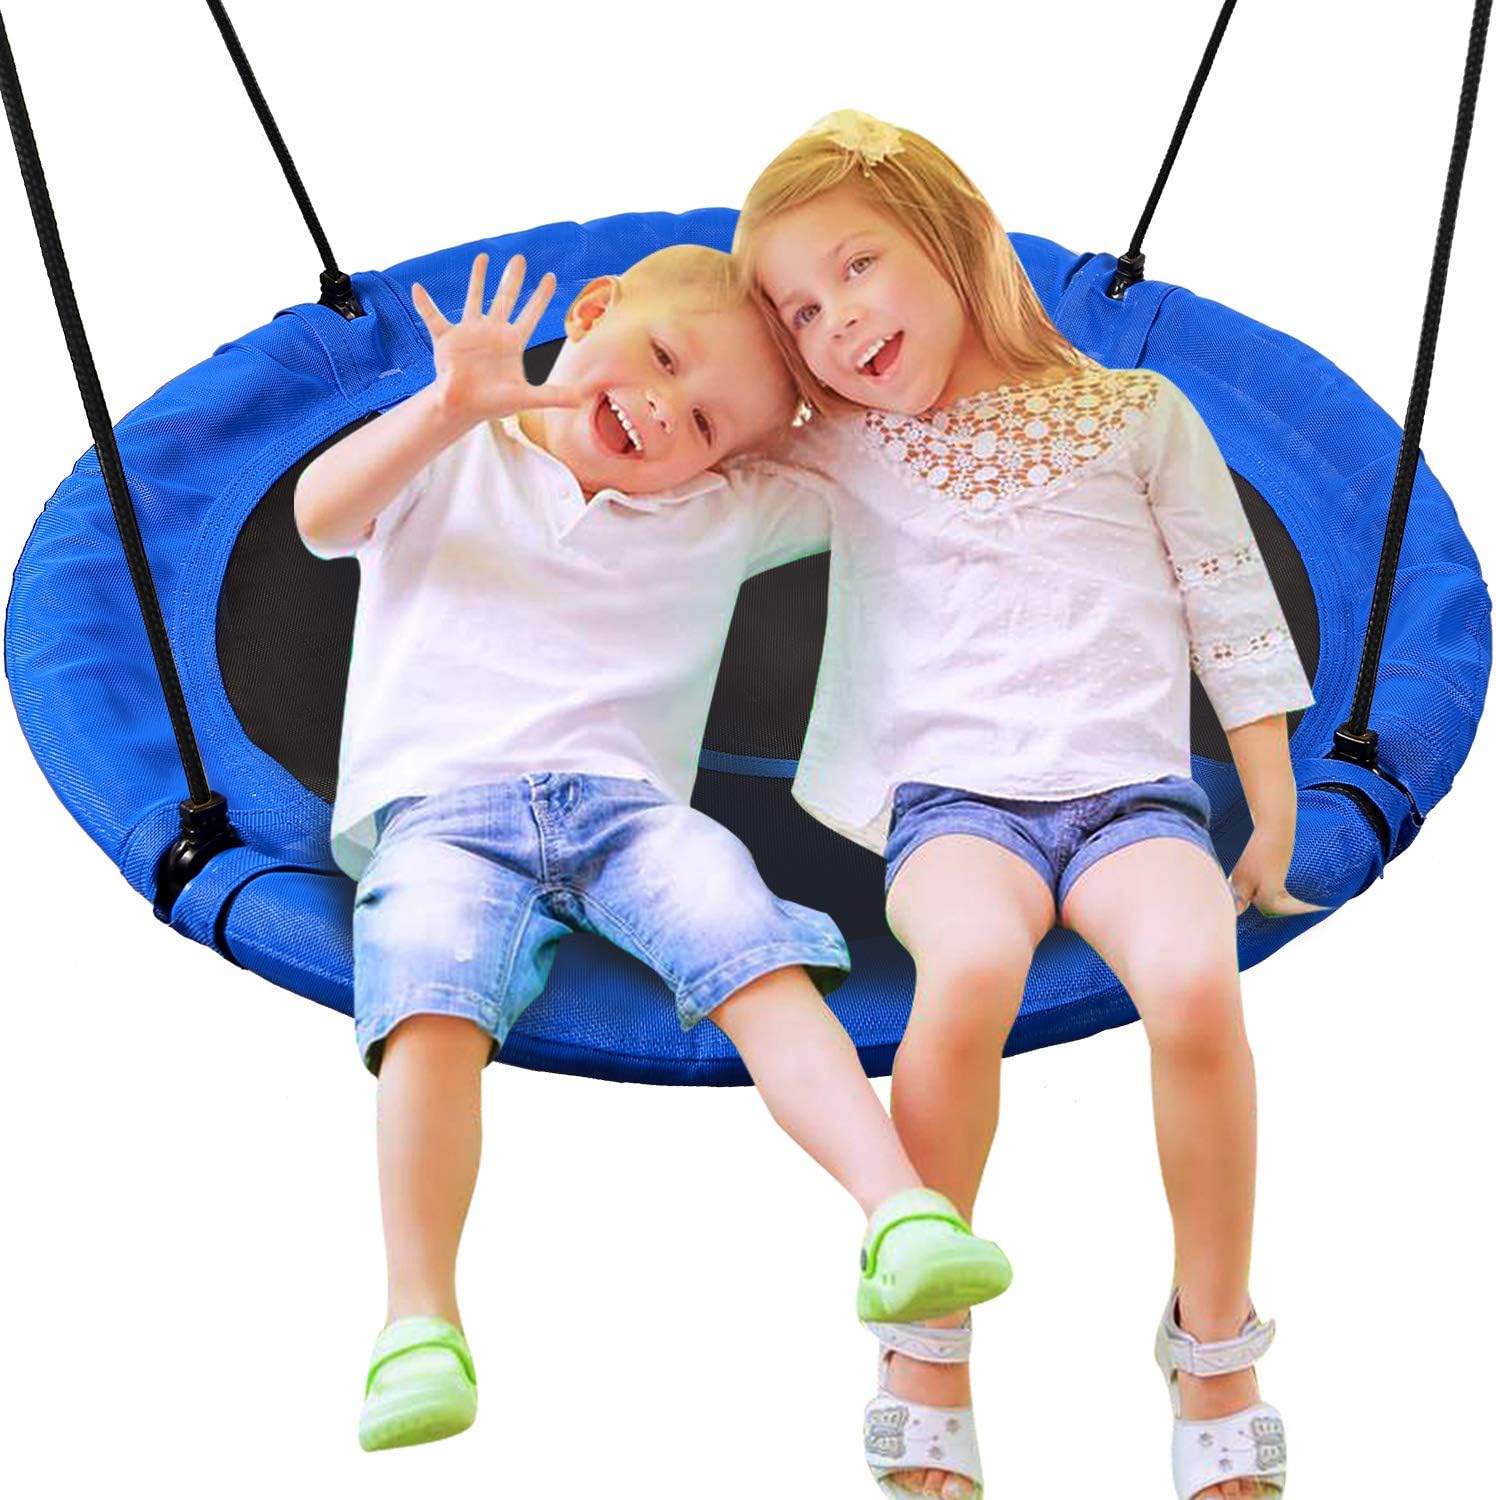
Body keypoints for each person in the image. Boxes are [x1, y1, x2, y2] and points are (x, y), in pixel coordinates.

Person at [294, 242, 1015, 1453]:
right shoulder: (454, 455)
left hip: (630, 817)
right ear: (590, 311)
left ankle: (900, 1216)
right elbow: (322, 519)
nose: (664, 411)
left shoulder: (720, 509)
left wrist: (850, 357)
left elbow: (882, 459)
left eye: (707, 421)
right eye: (663, 358)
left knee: (748, 944)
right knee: (426, 999)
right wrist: (447, 403)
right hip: (442, 813)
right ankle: (417, 1320)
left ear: (734, 456)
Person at [733, 110, 1322, 1500]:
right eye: (801, 311)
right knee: (971, 970)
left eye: (858, 266)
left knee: (1194, 981)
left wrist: (1272, 804)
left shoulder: (1135, 413)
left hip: (1131, 805)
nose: (837, 321)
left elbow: (1227, 603)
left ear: (953, 239)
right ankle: (926, 1347)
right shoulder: (841, 447)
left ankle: (1215, 1341)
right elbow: (689, 484)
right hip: (956, 812)